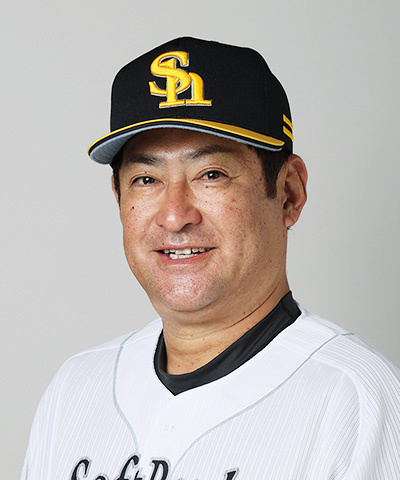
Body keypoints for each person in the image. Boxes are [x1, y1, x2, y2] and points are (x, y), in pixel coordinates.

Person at [21, 37, 400, 480]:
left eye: (211, 174)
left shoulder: (357, 401)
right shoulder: (75, 389)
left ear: (289, 193)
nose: (175, 215)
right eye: (146, 179)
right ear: (118, 197)